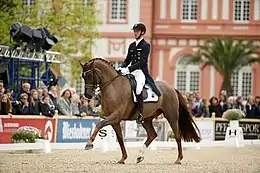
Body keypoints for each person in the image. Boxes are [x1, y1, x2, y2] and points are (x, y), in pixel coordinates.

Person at [117, 22, 161, 124]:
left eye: (137, 31)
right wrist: (122, 67)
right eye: (134, 31)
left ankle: (140, 113)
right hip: (130, 70)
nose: (135, 33)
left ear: (142, 32)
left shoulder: (146, 46)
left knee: (138, 89)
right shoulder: (132, 45)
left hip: (140, 72)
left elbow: (141, 62)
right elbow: (127, 59)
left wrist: (128, 69)